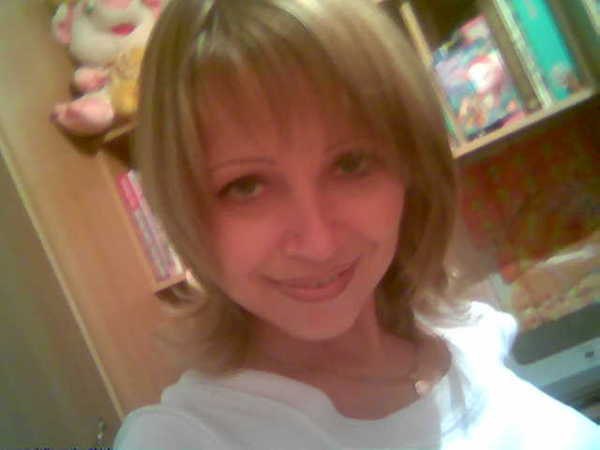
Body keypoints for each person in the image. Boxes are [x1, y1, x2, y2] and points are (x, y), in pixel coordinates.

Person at [114, 0, 599, 448]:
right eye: (246, 186)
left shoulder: (470, 334)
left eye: (350, 164)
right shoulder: (186, 438)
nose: (319, 243)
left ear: (410, 166)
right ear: (181, 205)